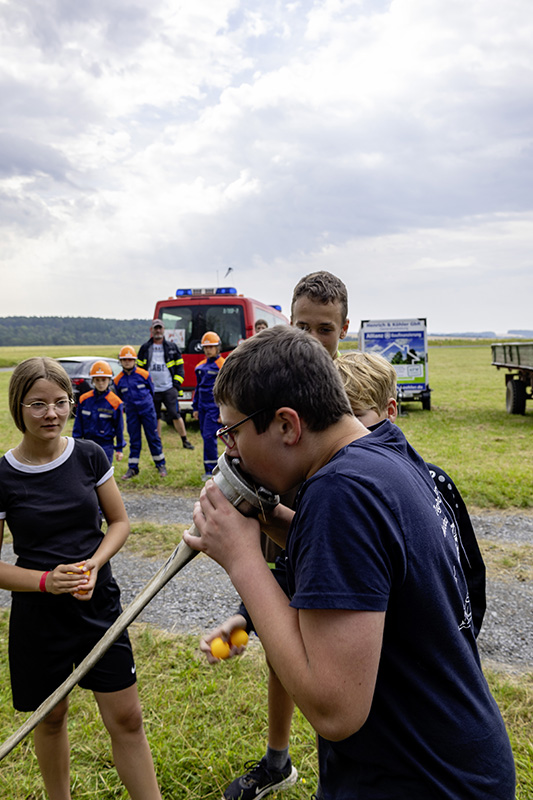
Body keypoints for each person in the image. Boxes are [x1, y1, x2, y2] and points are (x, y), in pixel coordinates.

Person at [184, 326, 515, 800]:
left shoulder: (339, 494)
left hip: (420, 782)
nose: (228, 449)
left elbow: (335, 711)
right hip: (459, 765)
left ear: (286, 425)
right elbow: (368, 560)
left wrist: (242, 559)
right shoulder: (382, 454)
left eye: (233, 431)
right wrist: (271, 517)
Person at [199, 271, 350, 800]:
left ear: (344, 330)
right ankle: (277, 758)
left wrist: (244, 574)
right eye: (302, 326)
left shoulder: (342, 434)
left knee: (310, 637)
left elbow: (337, 708)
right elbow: (279, 566)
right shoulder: (272, 392)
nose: (312, 339)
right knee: (279, 633)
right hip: (294, 538)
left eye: (324, 329)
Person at [0, 357, 162, 800]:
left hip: (99, 607)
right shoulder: (4, 475)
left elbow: (120, 523)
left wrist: (93, 564)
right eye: (37, 404)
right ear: (18, 407)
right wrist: (44, 582)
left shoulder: (89, 456)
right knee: (50, 718)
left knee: (127, 717)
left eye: (60, 402)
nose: (51, 413)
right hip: (38, 618)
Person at [335, 351, 486, 637]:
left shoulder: (435, 480)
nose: (344, 430)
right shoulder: (335, 485)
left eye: (356, 416)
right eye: (336, 417)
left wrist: (466, 630)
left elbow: (469, 567)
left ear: (390, 411)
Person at [137, 319, 194, 450]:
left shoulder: (172, 347)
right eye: (155, 328)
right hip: (152, 390)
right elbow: (139, 369)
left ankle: (185, 440)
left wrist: (176, 385)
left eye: (160, 328)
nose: (158, 330)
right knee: (155, 416)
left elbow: (180, 367)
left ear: (163, 330)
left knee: (175, 414)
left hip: (169, 388)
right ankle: (158, 442)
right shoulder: (145, 348)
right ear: (151, 330)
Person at [114, 345, 168, 479]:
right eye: (124, 359)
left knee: (153, 437)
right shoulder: (117, 380)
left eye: (130, 359)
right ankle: (133, 468)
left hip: (147, 411)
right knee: (134, 440)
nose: (127, 362)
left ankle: (161, 465)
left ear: (135, 360)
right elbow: (119, 396)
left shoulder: (144, 374)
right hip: (132, 413)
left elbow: (152, 390)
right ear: (120, 361)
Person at [72, 360, 126, 467]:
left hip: (105, 445)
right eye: (97, 380)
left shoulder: (115, 403)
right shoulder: (84, 399)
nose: (101, 383)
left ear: (109, 380)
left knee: (103, 474)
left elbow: (119, 427)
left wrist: (119, 449)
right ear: (92, 381)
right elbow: (78, 424)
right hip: (86, 443)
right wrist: (75, 444)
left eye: (103, 380)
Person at [192, 331, 225, 480]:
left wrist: (221, 411)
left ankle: (212, 471)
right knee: (205, 437)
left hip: (214, 407)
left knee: (209, 437)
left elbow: (225, 390)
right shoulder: (200, 367)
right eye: (206, 347)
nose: (208, 350)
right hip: (203, 407)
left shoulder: (223, 365)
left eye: (211, 347)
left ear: (217, 347)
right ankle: (210, 468)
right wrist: (195, 408)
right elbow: (198, 388)